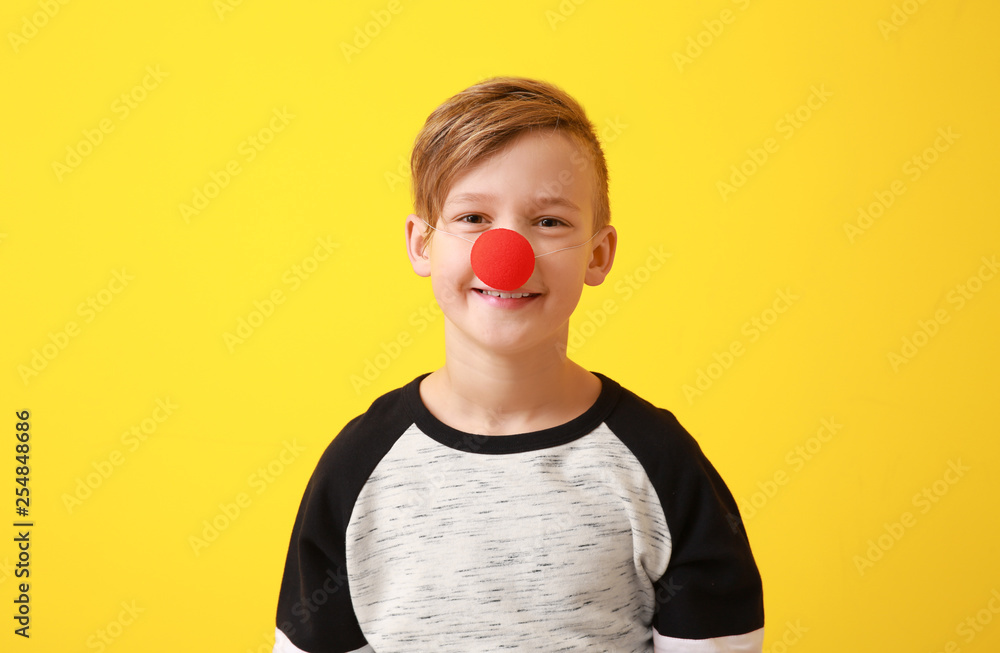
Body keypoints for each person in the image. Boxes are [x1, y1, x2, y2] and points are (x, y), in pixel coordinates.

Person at [272, 76, 764, 652]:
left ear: (598, 254)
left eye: (549, 221)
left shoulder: (661, 466)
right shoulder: (358, 466)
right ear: (421, 244)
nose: (507, 256)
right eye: (473, 218)